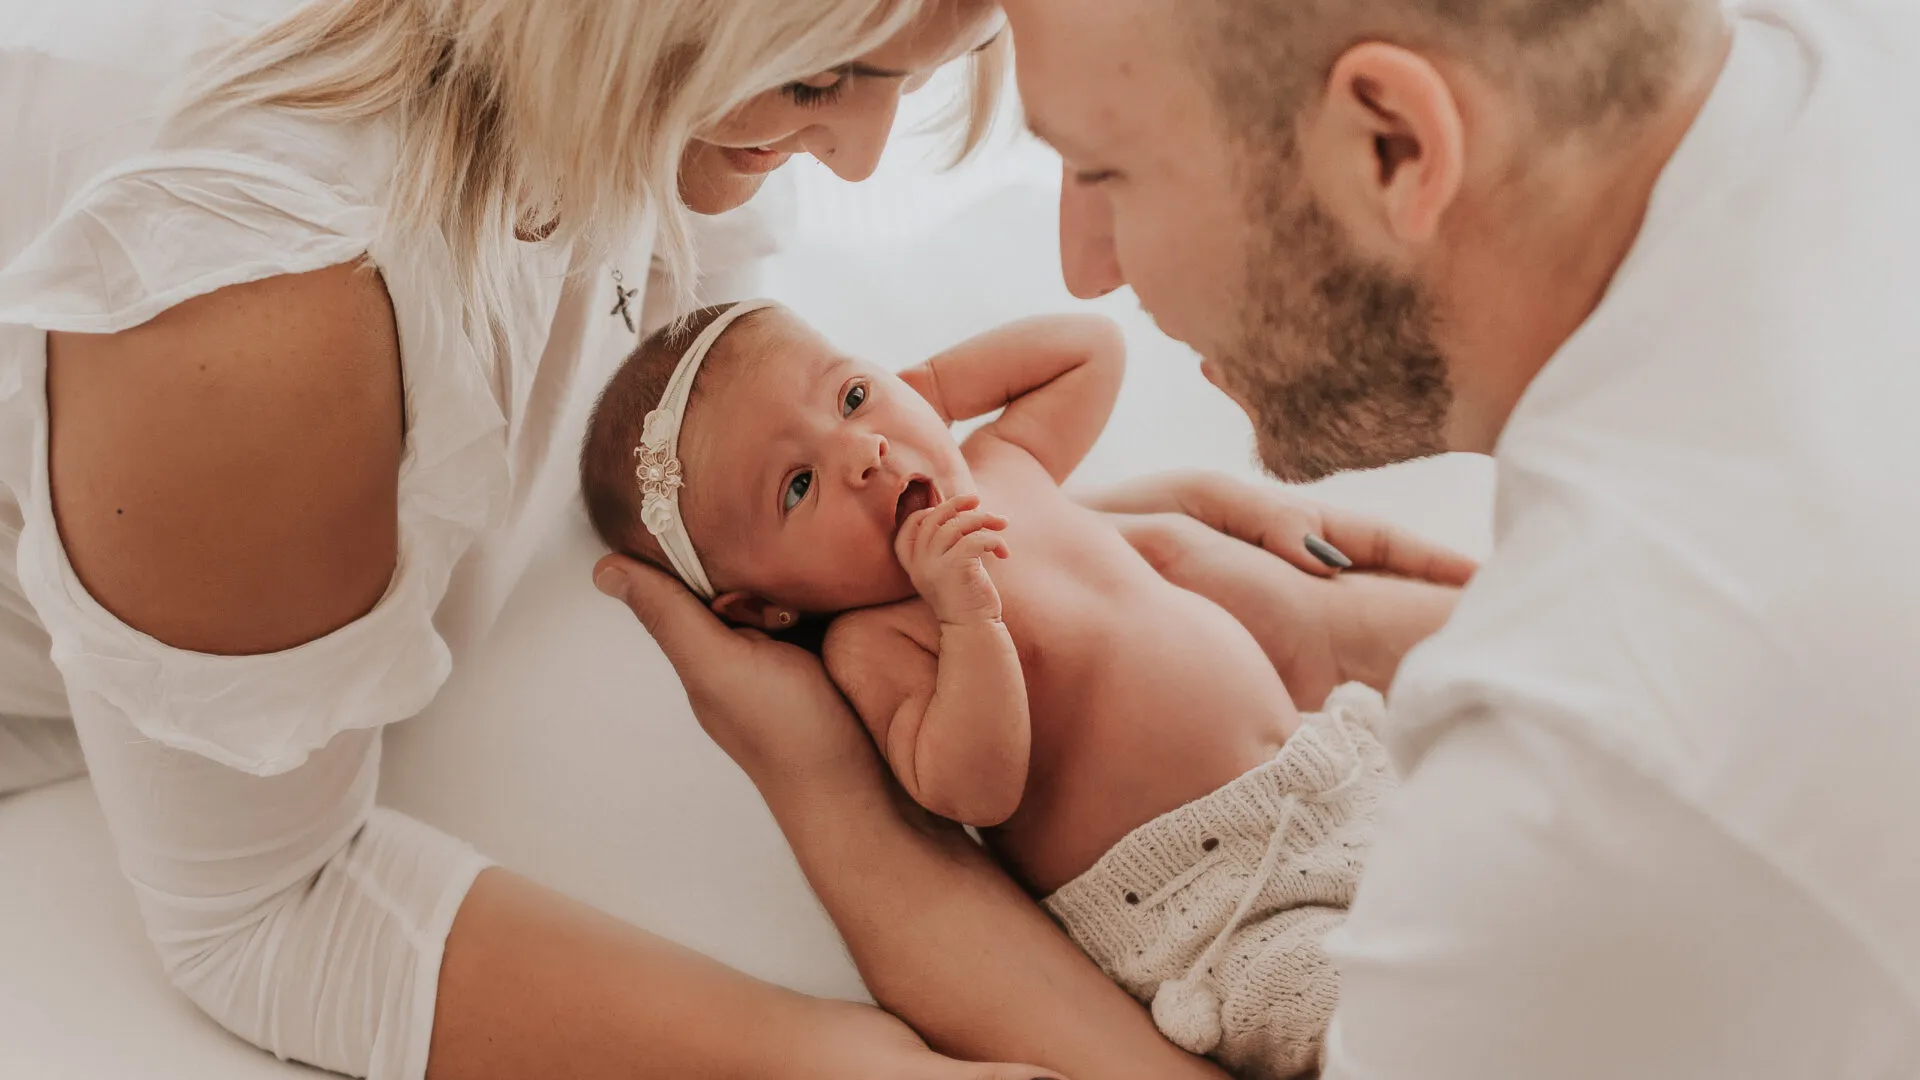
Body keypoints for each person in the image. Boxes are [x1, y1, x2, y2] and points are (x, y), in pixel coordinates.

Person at [596, 0, 1920, 1075]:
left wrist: (849, 820)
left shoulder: (1589, 788)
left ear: (1390, 144)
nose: (1085, 261)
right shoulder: (1840, 69)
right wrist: (1344, 625)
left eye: (1104, 168)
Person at [0, 1, 1136, 1077]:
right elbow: (264, 919)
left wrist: (1068, 561)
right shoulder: (255, 294)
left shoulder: (671, 87)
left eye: (919, 72)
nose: (858, 161)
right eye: (819, 78)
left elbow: (705, 373)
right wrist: (841, 1062)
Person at [581, 301, 1461, 1075]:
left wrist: (926, 389)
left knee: (1498, 897)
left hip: (1342, 779)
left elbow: (1090, 347)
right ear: (763, 608)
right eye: (798, 486)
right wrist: (968, 619)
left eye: (850, 397)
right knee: (1407, 1025)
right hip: (1211, 913)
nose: (864, 453)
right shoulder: (877, 640)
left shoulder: (1002, 465)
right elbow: (974, 790)